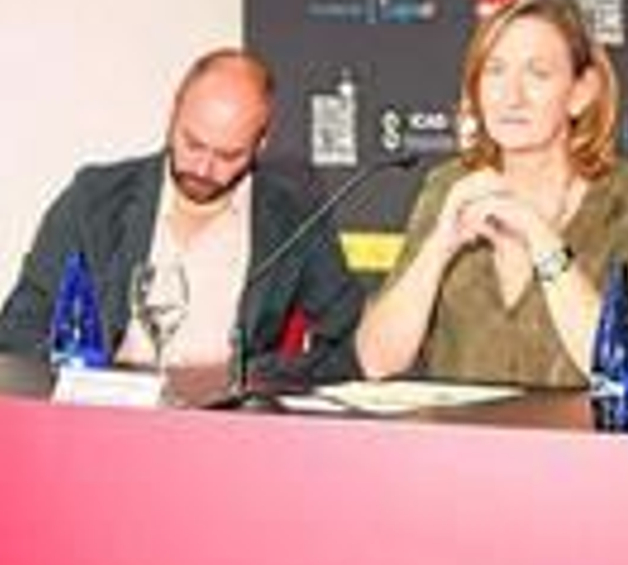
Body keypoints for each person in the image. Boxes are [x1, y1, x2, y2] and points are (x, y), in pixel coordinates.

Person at [356, 0, 628, 386]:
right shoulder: (448, 187)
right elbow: (377, 362)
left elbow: (622, 368)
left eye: (537, 74)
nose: (511, 96)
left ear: (581, 93)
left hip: (583, 447)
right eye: (495, 71)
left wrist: (540, 237)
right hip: (458, 445)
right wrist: (439, 247)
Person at [0, 48, 365, 386]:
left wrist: (256, 375)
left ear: (261, 143)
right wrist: (88, 377)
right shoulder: (95, 199)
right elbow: (20, 327)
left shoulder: (293, 218)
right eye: (192, 143)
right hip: (107, 412)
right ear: (173, 113)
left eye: (229, 155)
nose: (204, 169)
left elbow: (349, 340)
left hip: (226, 427)